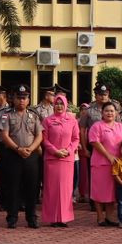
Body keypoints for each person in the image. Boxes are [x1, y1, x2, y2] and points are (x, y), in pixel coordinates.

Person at [0, 88, 41, 229]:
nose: (21, 100)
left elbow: (39, 135)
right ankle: (12, 217)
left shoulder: (34, 116)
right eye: (19, 97)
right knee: (13, 187)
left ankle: (31, 217)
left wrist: (31, 148)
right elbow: (4, 135)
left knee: (32, 188)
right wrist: (18, 149)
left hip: (31, 155)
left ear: (28, 100)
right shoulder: (7, 115)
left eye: (24, 98)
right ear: (13, 99)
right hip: (13, 155)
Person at [87, 100, 122, 227]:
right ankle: (100, 217)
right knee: (99, 191)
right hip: (100, 163)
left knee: (112, 191)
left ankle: (110, 216)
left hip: (117, 164)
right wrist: (108, 156)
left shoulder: (121, 127)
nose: (109, 113)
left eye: (112, 111)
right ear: (102, 113)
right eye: (107, 111)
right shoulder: (97, 126)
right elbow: (95, 142)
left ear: (116, 113)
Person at [39, 93, 77, 227]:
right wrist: (55, 151)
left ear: (66, 105)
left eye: (62, 103)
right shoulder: (48, 121)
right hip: (52, 159)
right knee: (52, 189)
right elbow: (44, 139)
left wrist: (68, 150)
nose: (59, 106)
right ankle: (53, 218)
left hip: (67, 159)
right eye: (57, 103)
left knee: (66, 190)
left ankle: (64, 218)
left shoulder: (72, 120)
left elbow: (75, 138)